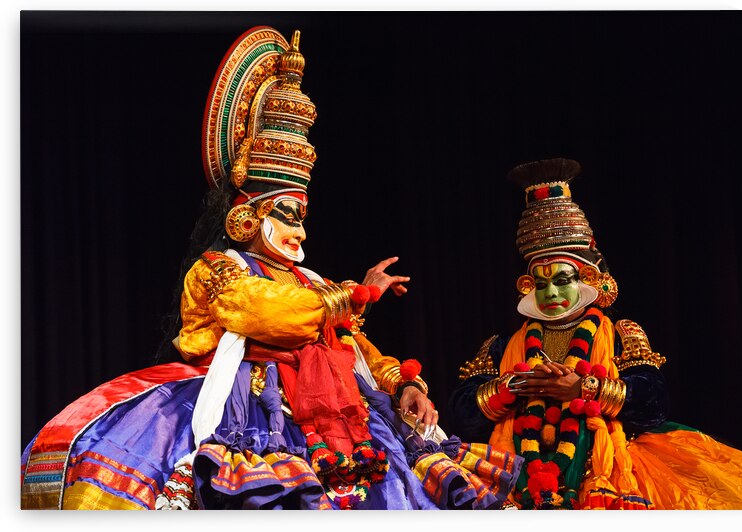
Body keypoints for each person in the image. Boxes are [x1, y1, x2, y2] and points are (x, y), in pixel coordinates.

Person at [20, 26, 522, 510]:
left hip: (344, 410)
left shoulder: (312, 281)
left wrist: (402, 384)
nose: (300, 232)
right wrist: (349, 297)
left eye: (303, 218)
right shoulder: (219, 269)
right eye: (287, 215)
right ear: (246, 216)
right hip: (251, 409)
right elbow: (262, 312)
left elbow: (354, 348)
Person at [448, 157, 742, 510]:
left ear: (587, 279)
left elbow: (652, 404)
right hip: (512, 470)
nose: (551, 293)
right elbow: (463, 415)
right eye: (540, 284)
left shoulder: (621, 333)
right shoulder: (501, 347)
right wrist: (512, 387)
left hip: (608, 466)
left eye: (561, 280)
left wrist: (583, 388)